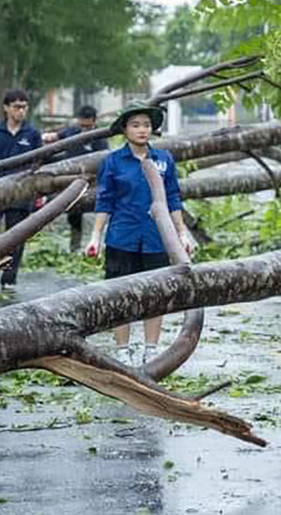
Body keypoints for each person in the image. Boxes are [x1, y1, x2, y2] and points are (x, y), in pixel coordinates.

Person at [85, 102, 196, 364]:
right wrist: (95, 236)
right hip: (121, 237)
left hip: (157, 238)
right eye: (135, 125)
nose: (142, 130)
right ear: (124, 130)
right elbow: (105, 201)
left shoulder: (163, 160)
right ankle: (123, 350)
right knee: (118, 295)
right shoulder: (112, 162)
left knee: (155, 295)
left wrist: (182, 233)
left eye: (146, 125)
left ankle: (151, 349)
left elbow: (172, 198)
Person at [0, 89, 44, 293]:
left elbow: (38, 165)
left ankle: (9, 278)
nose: (20, 111)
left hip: (22, 192)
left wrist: (39, 191)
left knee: (16, 236)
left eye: (24, 107)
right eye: (16, 107)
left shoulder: (32, 134)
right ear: (6, 108)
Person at [43, 105, 109, 252]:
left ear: (94, 121)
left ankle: (97, 241)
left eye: (87, 126)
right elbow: (56, 137)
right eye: (82, 125)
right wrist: (48, 137)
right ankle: (75, 245)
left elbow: (105, 161)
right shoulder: (71, 132)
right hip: (71, 179)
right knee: (74, 214)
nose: (84, 129)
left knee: (98, 211)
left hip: (92, 181)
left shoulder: (100, 139)